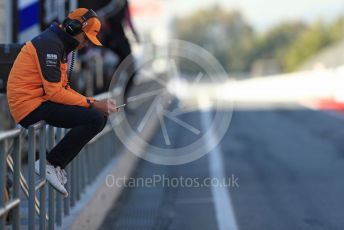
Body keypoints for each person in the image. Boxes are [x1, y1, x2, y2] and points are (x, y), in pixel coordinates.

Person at [7, 8, 120, 197]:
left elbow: (63, 88)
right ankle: (51, 163)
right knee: (94, 118)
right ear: (73, 28)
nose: (85, 45)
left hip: (39, 102)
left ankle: (54, 163)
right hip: (30, 107)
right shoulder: (50, 44)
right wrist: (92, 104)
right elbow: (54, 92)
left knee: (99, 117)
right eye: (85, 39)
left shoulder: (59, 44)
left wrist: (94, 102)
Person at [101, 0, 140, 102]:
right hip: (110, 42)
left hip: (120, 40)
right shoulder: (108, 5)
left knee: (131, 71)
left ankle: (123, 100)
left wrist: (135, 35)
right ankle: (114, 99)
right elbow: (101, 17)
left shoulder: (123, 3)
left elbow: (128, 19)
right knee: (114, 71)